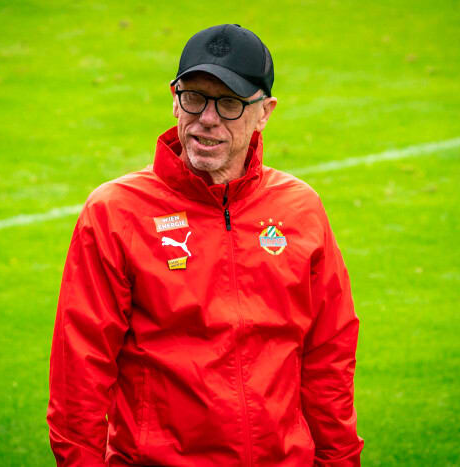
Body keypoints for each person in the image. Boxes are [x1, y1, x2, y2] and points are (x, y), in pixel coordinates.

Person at [47, 24, 364, 466]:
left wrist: (339, 460)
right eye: (194, 97)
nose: (208, 119)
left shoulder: (300, 209)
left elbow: (329, 356)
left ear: (265, 112)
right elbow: (79, 369)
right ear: (174, 98)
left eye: (230, 103)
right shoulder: (116, 212)